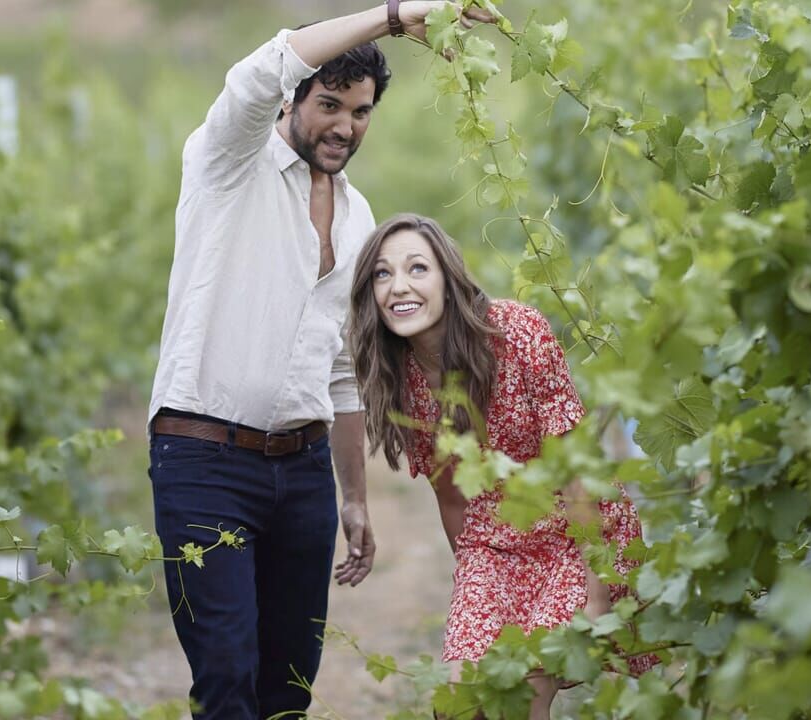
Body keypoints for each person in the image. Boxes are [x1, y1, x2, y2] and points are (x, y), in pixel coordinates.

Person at [146, 4, 492, 719]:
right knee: (226, 675)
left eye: (360, 112)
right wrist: (393, 16)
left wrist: (355, 498)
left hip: (301, 476)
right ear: (291, 100)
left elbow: (339, 369)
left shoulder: (359, 216)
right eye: (329, 104)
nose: (345, 127)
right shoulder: (227, 162)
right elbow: (266, 64)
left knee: (290, 687)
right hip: (203, 461)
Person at [348, 214, 657, 718]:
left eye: (417, 268)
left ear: (448, 278)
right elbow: (451, 496)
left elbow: (575, 469)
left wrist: (597, 594)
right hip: (493, 547)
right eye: (382, 273)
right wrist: (475, 600)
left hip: (574, 536)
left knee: (519, 702)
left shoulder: (517, 332)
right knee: (458, 706)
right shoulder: (400, 376)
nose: (398, 286)